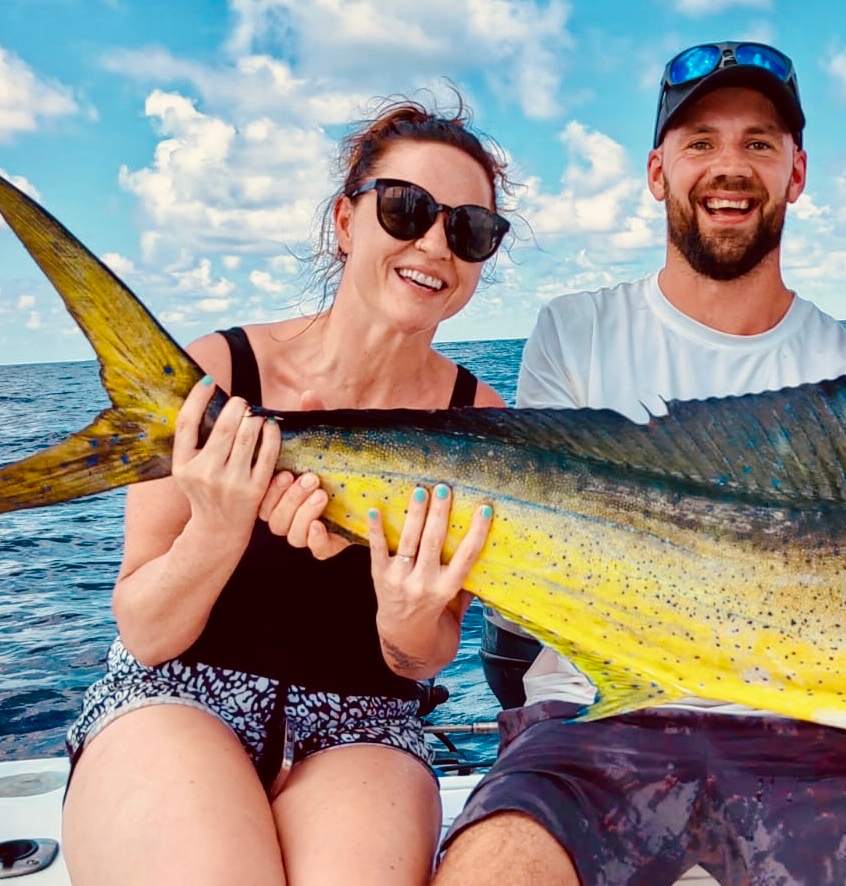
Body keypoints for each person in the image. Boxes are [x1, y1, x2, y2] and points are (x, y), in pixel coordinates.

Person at [439, 42, 846, 886]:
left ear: (796, 172)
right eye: (700, 143)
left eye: (758, 144)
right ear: (657, 169)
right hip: (593, 722)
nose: (728, 167)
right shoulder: (573, 329)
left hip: (808, 747)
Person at [61, 95, 510, 886]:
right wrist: (217, 528)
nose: (435, 243)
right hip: (177, 697)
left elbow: (421, 656)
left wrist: (406, 618)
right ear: (346, 223)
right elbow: (147, 633)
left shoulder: (483, 422)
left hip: (364, 725)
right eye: (406, 210)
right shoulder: (219, 373)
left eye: (470, 229)